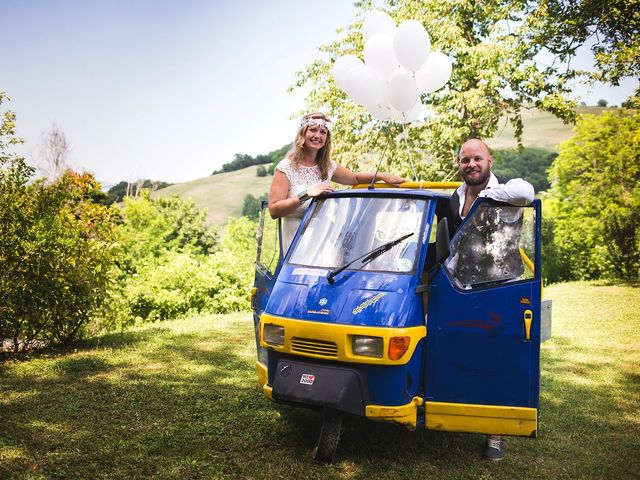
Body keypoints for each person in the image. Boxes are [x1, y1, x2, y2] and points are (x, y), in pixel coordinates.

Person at [448, 138, 535, 461]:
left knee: (497, 359)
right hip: (463, 288)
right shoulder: (454, 198)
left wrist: (486, 197)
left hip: (500, 289)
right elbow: (454, 243)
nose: (471, 165)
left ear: (490, 160)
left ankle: (495, 435)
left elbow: (527, 193)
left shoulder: (508, 190)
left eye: (477, 159)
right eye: (465, 160)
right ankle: (459, 413)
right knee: (464, 352)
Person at [269, 112, 406, 250]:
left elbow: (355, 178)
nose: (318, 135)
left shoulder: (327, 166)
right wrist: (307, 194)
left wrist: (381, 176)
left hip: (326, 242)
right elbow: (274, 210)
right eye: (313, 130)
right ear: (302, 133)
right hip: (297, 244)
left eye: (323, 132)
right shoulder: (286, 167)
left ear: (327, 138)